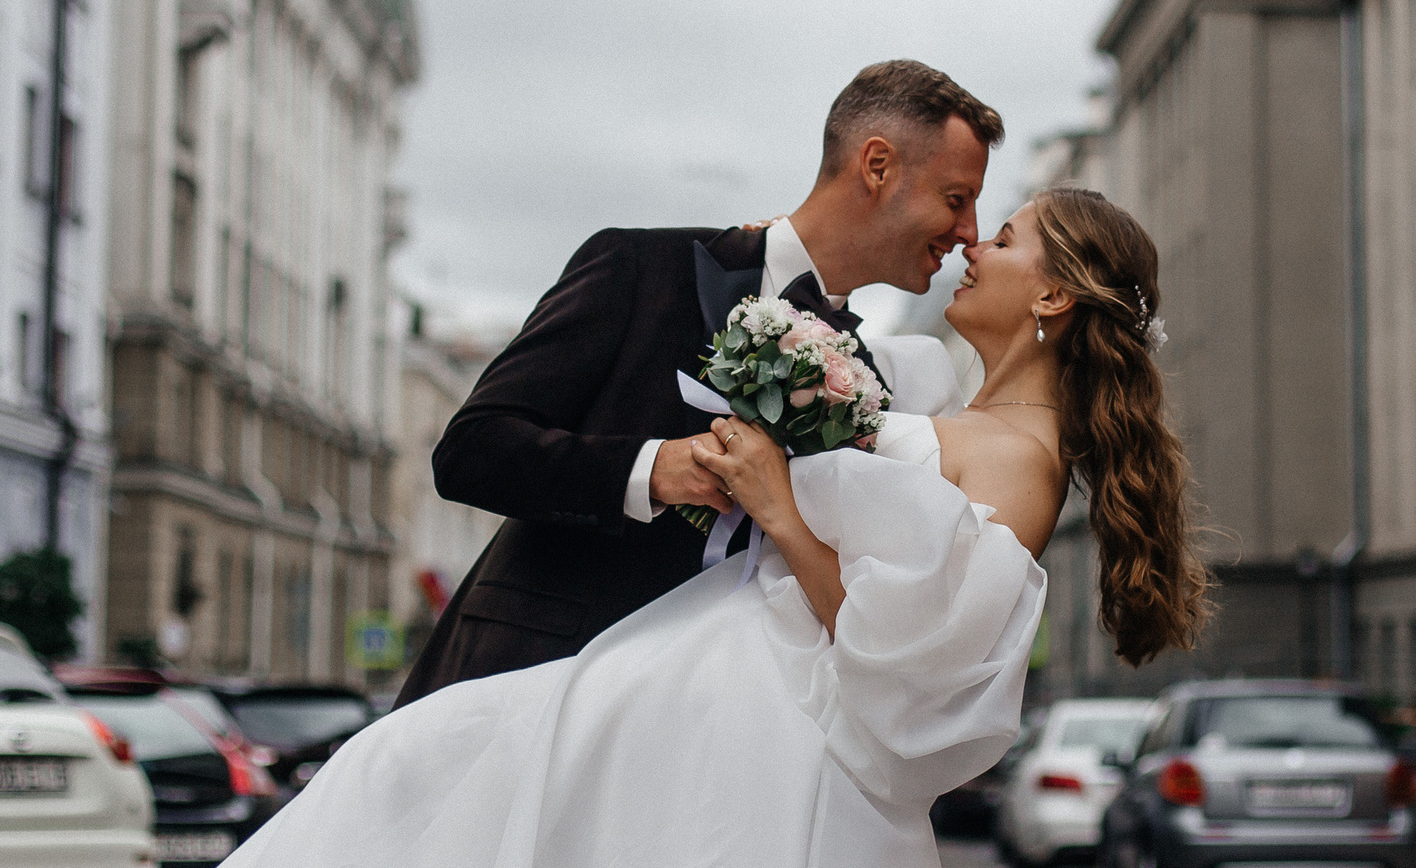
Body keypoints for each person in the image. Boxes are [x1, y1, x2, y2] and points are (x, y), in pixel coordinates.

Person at [0, 186, 1206, 868]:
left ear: (1049, 296)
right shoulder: (935, 394)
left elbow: (912, 654)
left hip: (758, 722)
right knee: (419, 809)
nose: (974, 240)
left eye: (1010, 233)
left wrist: (774, 498)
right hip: (691, 676)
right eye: (969, 207)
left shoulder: (1021, 459)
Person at [398, 58, 1003, 699]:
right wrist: (653, 469)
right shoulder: (642, 267)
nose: (968, 234)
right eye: (956, 199)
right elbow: (471, 451)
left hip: (701, 724)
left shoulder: (864, 384)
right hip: (529, 687)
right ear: (877, 167)